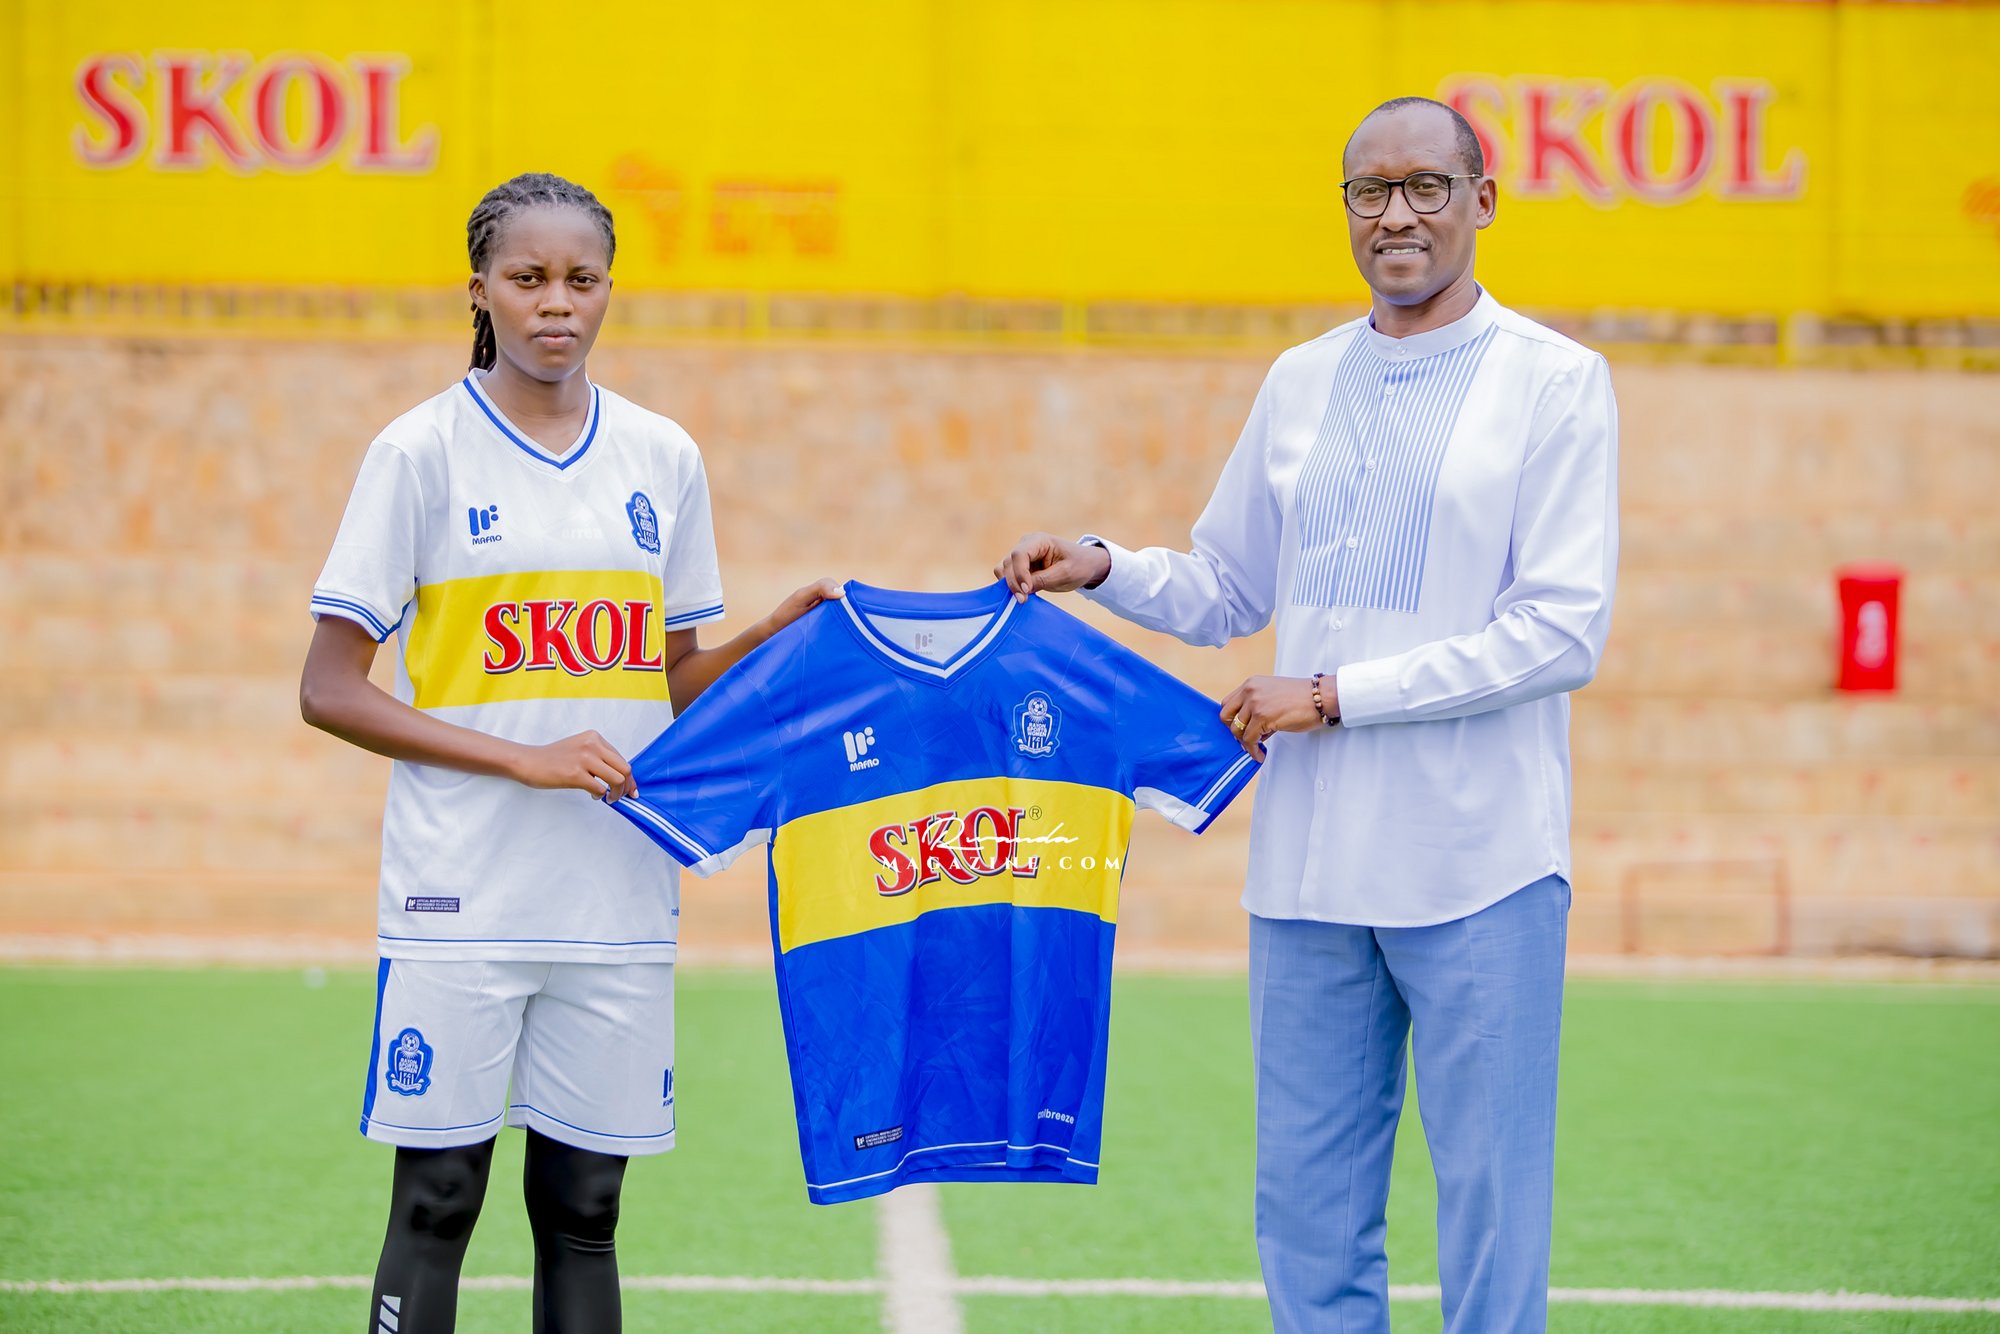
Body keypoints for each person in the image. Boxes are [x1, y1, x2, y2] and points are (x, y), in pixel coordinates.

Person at [998, 97, 1618, 1332]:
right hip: (1309, 868)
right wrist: (1103, 566)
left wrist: (1335, 696)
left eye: (1425, 186)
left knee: (1491, 1206)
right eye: (1367, 191)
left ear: (1482, 199)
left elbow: (1558, 630)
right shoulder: (1300, 380)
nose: (1395, 215)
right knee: (1306, 1209)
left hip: (1479, 861)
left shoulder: (1553, 381)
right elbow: (1229, 587)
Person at [299, 172, 839, 1334]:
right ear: (480, 291)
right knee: (438, 1198)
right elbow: (328, 689)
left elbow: (669, 680)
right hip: (461, 894)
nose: (557, 302)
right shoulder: (419, 452)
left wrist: (768, 636)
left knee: (586, 1208)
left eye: (581, 279)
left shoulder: (661, 455)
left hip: (615, 892)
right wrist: (521, 758)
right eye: (528, 277)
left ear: (607, 290)